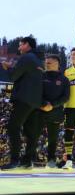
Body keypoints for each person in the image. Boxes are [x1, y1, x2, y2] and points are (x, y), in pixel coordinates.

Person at [1, 36, 43, 170]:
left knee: (13, 127)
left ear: (27, 45)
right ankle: (26, 161)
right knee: (30, 132)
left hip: (24, 99)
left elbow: (14, 76)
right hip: (35, 102)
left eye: (20, 45)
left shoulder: (26, 58)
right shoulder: (38, 61)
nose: (19, 48)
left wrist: (7, 67)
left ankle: (14, 160)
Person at [38, 55, 70, 168]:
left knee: (53, 139)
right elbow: (35, 92)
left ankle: (51, 160)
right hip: (39, 110)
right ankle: (28, 159)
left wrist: (52, 105)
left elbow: (66, 97)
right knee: (32, 135)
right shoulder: (40, 76)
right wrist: (43, 104)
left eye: (49, 63)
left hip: (55, 112)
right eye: (46, 63)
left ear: (57, 64)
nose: (47, 64)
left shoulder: (64, 79)